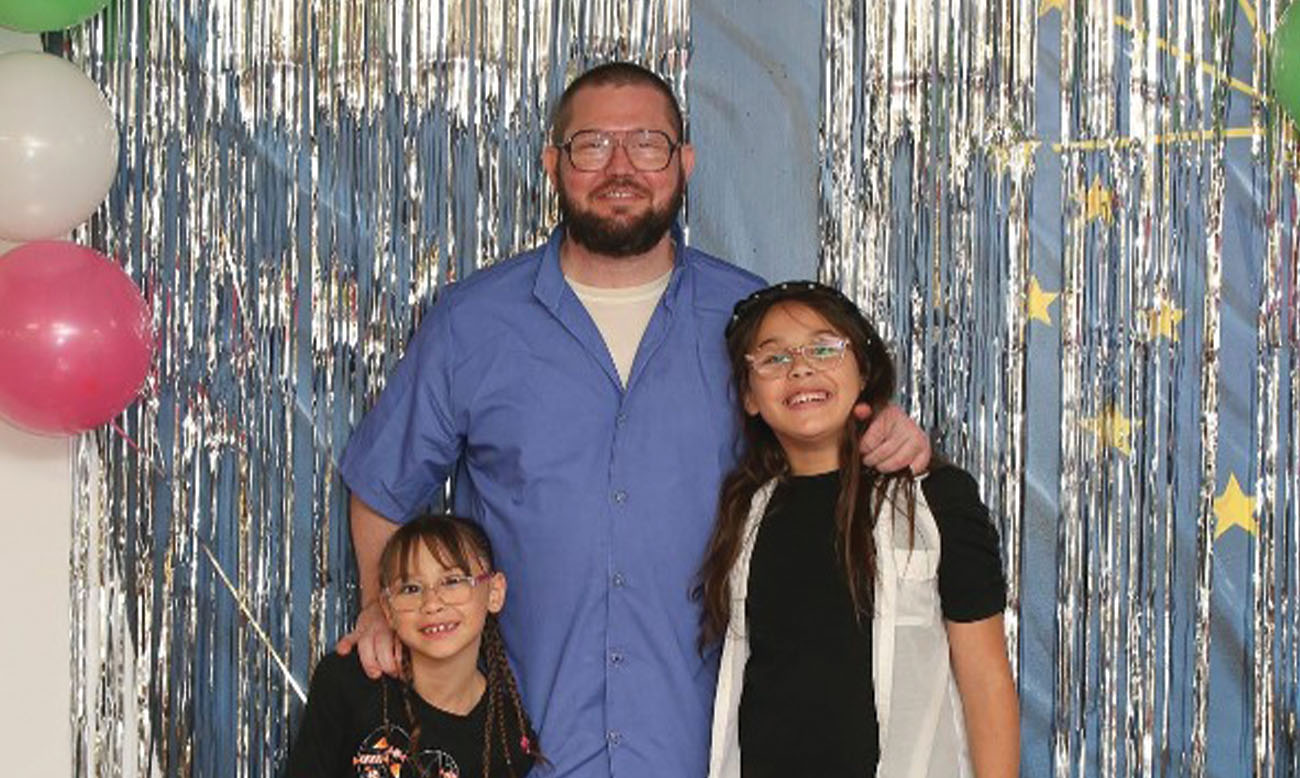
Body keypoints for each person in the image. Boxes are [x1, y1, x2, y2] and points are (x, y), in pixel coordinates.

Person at [336, 62, 931, 778]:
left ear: (684, 162)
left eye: (647, 144)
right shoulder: (472, 323)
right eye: (592, 145)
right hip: (521, 747)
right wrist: (379, 605)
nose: (620, 167)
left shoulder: (753, 323)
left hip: (710, 749)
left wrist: (887, 433)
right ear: (553, 164)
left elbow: (825, 439)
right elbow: (381, 486)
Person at [697, 281, 1019, 778]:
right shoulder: (747, 512)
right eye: (773, 358)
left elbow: (987, 682)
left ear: (863, 371)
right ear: (750, 397)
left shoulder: (936, 499)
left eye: (824, 348)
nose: (801, 367)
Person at [288, 514, 539, 778]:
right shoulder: (347, 682)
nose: (432, 603)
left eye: (452, 581)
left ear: (494, 592)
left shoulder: (507, 734)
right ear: (387, 608)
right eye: (411, 588)